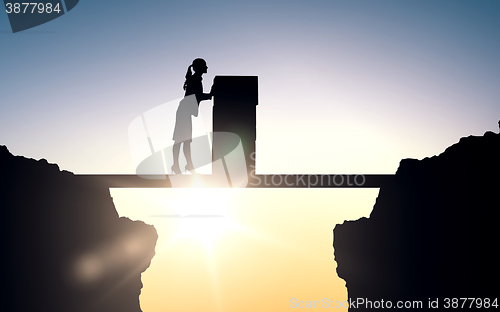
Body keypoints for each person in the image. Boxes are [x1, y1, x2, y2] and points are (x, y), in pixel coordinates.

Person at [171, 58, 212, 174]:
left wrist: (209, 95)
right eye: (205, 66)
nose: (207, 68)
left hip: (185, 112)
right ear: (199, 68)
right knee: (180, 140)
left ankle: (188, 165)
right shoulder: (195, 80)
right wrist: (210, 95)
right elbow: (197, 96)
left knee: (186, 140)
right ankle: (177, 165)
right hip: (184, 111)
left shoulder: (196, 79)